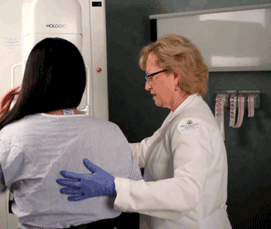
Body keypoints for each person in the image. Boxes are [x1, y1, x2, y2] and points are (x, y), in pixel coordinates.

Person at [56, 34, 232, 229]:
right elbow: (144, 152)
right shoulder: (181, 116)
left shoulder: (191, 125)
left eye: (151, 77)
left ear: (175, 75)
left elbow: (185, 193)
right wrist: (94, 149)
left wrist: (115, 186)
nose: (147, 85)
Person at [0, 37, 142, 229]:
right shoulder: (112, 131)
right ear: (79, 79)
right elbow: (135, 193)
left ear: (31, 81)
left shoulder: (11, 135)